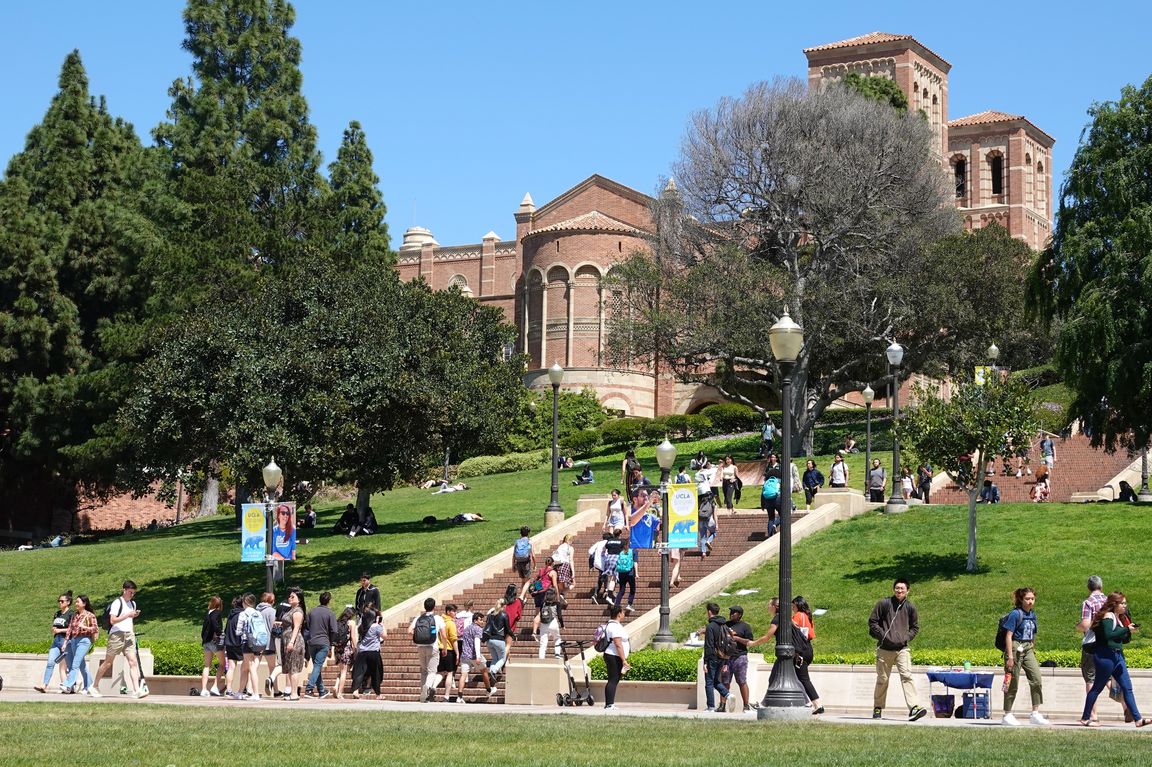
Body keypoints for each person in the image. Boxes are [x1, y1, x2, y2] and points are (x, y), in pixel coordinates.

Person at [1081, 591, 1151, 727]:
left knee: (1127, 688)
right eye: (1122, 603)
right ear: (1115, 604)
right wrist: (1125, 629)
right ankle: (1085, 718)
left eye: (1125, 603)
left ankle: (1137, 719)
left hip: (1118, 656)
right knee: (1097, 688)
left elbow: (1120, 639)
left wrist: (1128, 631)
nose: (1125, 606)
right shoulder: (1108, 616)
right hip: (1105, 656)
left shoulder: (1118, 617)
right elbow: (1108, 635)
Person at [868, 578, 927, 721]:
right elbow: (872, 622)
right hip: (884, 649)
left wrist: (905, 638)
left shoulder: (910, 607)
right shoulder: (884, 604)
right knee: (883, 679)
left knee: (907, 676)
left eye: (902, 588)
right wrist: (883, 636)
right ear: (893, 589)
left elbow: (915, 627)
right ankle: (878, 707)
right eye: (897, 588)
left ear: (908, 590)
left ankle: (914, 707)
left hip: (902, 649)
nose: (899, 591)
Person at [89, 579, 147, 698]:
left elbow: (130, 620)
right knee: (108, 662)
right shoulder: (117, 602)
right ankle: (94, 686)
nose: (132, 595)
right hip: (117, 635)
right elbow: (113, 620)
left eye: (134, 593)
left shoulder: (133, 604)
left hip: (129, 634)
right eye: (130, 592)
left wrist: (132, 623)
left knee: (133, 662)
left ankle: (136, 690)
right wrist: (128, 615)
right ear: (124, 590)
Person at [999, 587, 1049, 725]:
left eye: (1032, 598)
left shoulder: (1032, 614)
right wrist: (1010, 656)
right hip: (1015, 647)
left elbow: (1033, 633)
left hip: (1028, 648)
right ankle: (1007, 714)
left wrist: (1033, 648)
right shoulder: (1015, 614)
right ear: (1021, 599)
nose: (1030, 601)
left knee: (1036, 679)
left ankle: (1035, 713)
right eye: (1027, 599)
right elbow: (1008, 636)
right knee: (1012, 681)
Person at [1077, 575, 1107, 722]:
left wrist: (1078, 626)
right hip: (1108, 643)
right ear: (1101, 586)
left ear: (1089, 587)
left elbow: (1085, 624)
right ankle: (1126, 706)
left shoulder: (1088, 602)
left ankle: (1093, 714)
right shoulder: (1110, 601)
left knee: (1090, 678)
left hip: (1092, 643)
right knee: (1109, 678)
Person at [34, 591, 73, 693]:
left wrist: (60, 630)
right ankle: (44, 685)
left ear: (68, 602)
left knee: (67, 666)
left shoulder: (71, 614)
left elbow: (72, 629)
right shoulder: (57, 614)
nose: (60, 603)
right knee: (50, 662)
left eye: (62, 601)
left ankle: (70, 686)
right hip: (56, 641)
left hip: (66, 641)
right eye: (58, 601)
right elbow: (55, 625)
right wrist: (54, 629)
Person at [60, 595, 99, 695]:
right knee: (82, 666)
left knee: (75, 664)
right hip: (74, 640)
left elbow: (95, 629)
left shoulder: (90, 615)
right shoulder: (74, 615)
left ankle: (68, 684)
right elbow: (69, 629)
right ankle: (89, 686)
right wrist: (65, 642)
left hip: (85, 640)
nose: (76, 604)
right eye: (76, 602)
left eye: (78, 602)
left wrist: (85, 627)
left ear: (84, 603)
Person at [410, 597, 447, 703]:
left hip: (420, 647)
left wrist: (418, 636)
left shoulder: (418, 618)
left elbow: (409, 630)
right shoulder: (437, 618)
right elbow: (444, 635)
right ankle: (427, 687)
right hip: (433, 647)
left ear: (425, 607)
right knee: (432, 671)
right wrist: (444, 647)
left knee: (424, 671)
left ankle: (423, 693)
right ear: (434, 607)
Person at [722, 606, 756, 712]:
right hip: (727, 657)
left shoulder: (745, 626)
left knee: (741, 681)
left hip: (740, 657)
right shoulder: (725, 625)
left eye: (734, 612)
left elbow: (749, 642)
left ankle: (746, 705)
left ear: (740, 615)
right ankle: (722, 705)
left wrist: (736, 638)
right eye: (731, 612)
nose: (731, 614)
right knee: (725, 682)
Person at [304, 590, 337, 698]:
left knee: (316, 666)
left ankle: (322, 690)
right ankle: (309, 689)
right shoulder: (330, 613)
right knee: (318, 666)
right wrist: (331, 645)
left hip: (312, 642)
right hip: (323, 642)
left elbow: (307, 627)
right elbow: (334, 630)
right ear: (329, 601)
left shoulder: (311, 612)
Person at [702, 602, 732, 712]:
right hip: (722, 657)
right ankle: (727, 694)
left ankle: (710, 706)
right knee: (715, 680)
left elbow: (709, 645)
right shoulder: (723, 625)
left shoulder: (710, 626)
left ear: (709, 612)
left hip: (712, 657)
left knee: (709, 682)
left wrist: (705, 661)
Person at [279, 587, 306, 701]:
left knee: (294, 667)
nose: (289, 598)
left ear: (299, 599)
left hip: (294, 641)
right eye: (289, 596)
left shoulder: (298, 611)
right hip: (286, 640)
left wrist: (291, 642)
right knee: (289, 667)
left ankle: (294, 693)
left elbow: (296, 628)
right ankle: (290, 691)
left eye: (292, 597)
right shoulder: (290, 609)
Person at [602, 604, 631, 711]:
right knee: (613, 680)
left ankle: (609, 703)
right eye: (623, 612)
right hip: (613, 656)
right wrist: (624, 660)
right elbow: (618, 644)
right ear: (619, 614)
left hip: (613, 655)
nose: (624, 614)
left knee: (613, 679)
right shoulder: (614, 626)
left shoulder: (613, 625)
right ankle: (609, 704)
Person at [351, 607, 382, 699]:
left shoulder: (361, 627)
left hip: (362, 652)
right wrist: (381, 624)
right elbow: (385, 636)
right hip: (373, 652)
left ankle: (355, 690)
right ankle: (378, 694)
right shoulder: (376, 627)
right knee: (376, 673)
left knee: (359, 672)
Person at [481, 599, 511, 696]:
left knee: (495, 658)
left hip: (489, 640)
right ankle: (493, 671)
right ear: (504, 605)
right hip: (499, 639)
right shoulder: (504, 615)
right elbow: (507, 628)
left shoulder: (491, 615)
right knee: (502, 658)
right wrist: (513, 635)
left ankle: (491, 671)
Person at [198, 595, 225, 697]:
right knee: (222, 664)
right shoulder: (217, 613)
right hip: (214, 642)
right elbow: (215, 624)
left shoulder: (207, 614)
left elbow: (204, 629)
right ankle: (215, 686)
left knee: (207, 666)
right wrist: (219, 632)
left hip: (206, 642)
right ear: (219, 605)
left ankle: (204, 689)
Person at [434, 603, 460, 702]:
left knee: (440, 672)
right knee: (449, 673)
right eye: (454, 611)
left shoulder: (439, 621)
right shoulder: (450, 623)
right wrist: (457, 653)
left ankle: (432, 687)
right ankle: (446, 696)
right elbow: (454, 639)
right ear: (448, 612)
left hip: (439, 649)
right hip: (448, 650)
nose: (455, 613)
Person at [332, 606, 358, 699]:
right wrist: (355, 648)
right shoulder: (351, 623)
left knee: (341, 669)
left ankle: (336, 685)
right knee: (344, 672)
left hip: (338, 648)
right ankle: (340, 693)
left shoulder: (338, 622)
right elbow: (353, 637)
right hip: (347, 648)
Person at [697, 462, 718, 556]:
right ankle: (709, 541)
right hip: (709, 519)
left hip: (700, 519)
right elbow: (715, 514)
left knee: (702, 536)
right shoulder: (712, 503)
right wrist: (717, 524)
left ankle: (703, 553)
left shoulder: (699, 501)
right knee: (713, 533)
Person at [761, 455, 783, 537]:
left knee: (771, 518)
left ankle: (770, 536)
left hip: (767, 499)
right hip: (777, 498)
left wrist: (762, 504)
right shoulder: (779, 481)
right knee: (783, 515)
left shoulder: (767, 483)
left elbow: (762, 493)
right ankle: (775, 525)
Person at [613, 544, 637, 614]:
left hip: (621, 572)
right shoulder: (633, 551)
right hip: (630, 573)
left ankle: (616, 605)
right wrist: (637, 573)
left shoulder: (621, 552)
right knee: (632, 588)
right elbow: (635, 563)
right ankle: (629, 604)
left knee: (621, 590)